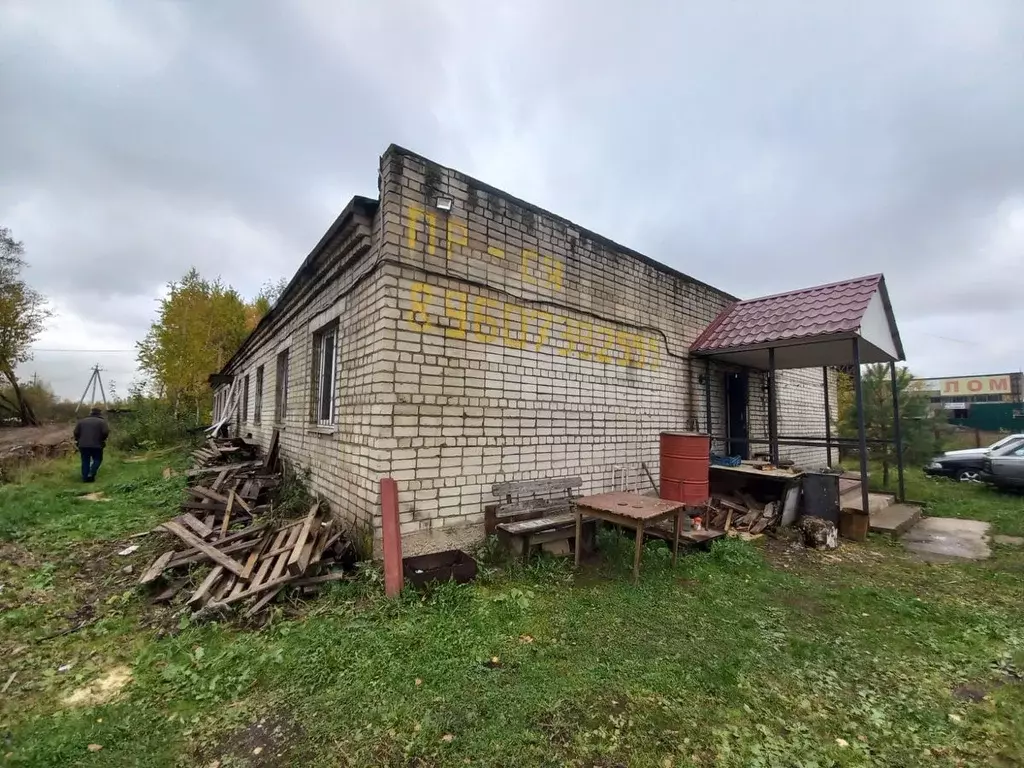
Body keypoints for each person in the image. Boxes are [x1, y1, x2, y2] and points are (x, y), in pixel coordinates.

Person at [74, 407, 110, 482]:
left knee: (85, 461)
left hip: (83, 445)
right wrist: (102, 439)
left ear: (90, 413)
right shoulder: (102, 422)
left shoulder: (81, 421)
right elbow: (105, 432)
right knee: (97, 459)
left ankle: (85, 478)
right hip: (97, 444)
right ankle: (91, 473)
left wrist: (78, 440)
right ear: (99, 413)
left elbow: (76, 432)